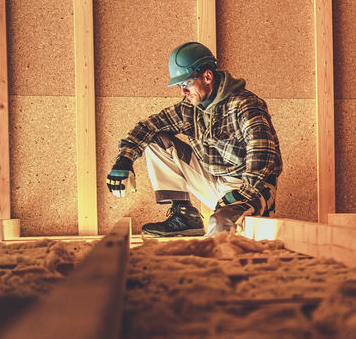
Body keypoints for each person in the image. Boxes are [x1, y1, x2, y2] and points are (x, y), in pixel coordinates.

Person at [105, 42, 282, 237]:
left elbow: (263, 153)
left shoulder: (245, 105)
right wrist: (124, 159)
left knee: (220, 224)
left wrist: (243, 194)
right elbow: (147, 127)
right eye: (180, 86)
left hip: (252, 188)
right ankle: (185, 216)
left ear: (207, 76)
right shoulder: (189, 109)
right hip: (214, 181)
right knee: (155, 140)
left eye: (186, 83)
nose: (183, 92)